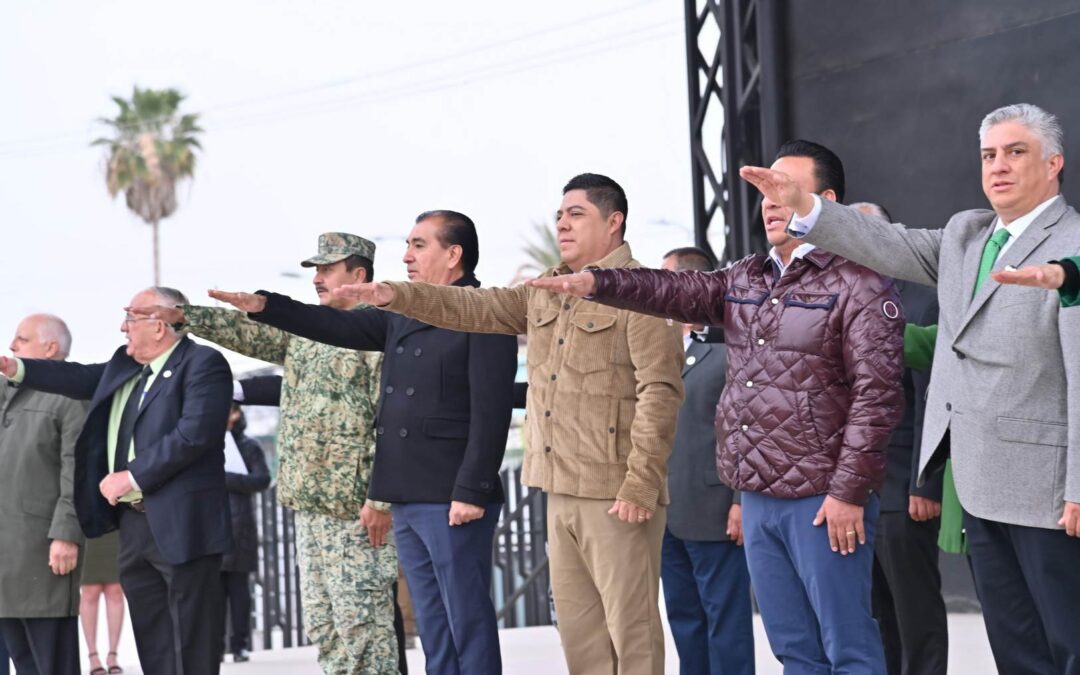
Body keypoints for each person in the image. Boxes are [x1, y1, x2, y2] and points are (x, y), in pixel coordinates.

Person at [527, 149, 904, 673]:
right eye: (765, 191)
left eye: (785, 188)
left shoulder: (859, 282)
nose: (770, 203)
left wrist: (847, 492)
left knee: (849, 648)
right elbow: (672, 288)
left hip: (823, 498)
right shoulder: (748, 277)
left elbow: (877, 396)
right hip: (759, 496)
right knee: (794, 648)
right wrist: (599, 281)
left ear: (827, 203)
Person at [742, 103, 1080, 674]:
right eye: (988, 155)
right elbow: (884, 242)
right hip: (978, 483)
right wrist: (804, 204)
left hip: (1051, 490)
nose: (998, 166)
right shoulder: (966, 234)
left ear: (1054, 163)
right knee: (1016, 650)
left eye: (1015, 152)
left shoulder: (1071, 239)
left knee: (1070, 643)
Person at [301, 179, 686, 675]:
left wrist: (641, 483)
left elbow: (660, 391)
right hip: (558, 486)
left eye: (577, 214)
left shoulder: (644, 291)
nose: (563, 224)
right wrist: (397, 295)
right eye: (559, 215)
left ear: (614, 221)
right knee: (580, 634)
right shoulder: (544, 291)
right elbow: (468, 306)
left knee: (630, 632)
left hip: (616, 490)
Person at [202, 211, 517, 675]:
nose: (406, 256)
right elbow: (336, 327)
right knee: (431, 622)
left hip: (452, 494)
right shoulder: (404, 314)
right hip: (408, 491)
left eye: (419, 245)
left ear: (454, 254)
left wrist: (471, 490)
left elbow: (492, 411)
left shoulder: (485, 312)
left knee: (465, 617)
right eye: (407, 245)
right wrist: (267, 306)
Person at [131, 233, 399, 675]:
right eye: (314, 270)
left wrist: (380, 500)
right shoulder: (306, 332)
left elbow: (390, 425)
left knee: (363, 628)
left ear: (359, 274)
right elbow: (247, 332)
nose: (317, 278)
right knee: (325, 627)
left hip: (356, 513)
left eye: (327, 269)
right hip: (308, 508)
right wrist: (186, 316)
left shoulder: (380, 333)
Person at [0, 287, 233, 675]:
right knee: (153, 640)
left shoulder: (203, 363)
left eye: (131, 317)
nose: (123, 327)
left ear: (159, 326)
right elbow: (78, 377)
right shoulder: (127, 367)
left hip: (183, 524)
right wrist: (17, 368)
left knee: (191, 642)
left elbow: (195, 434)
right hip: (134, 525)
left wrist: (134, 474)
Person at [850, 202, 949, 675]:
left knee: (915, 613)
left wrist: (924, 484)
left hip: (901, 486)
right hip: (851, 491)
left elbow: (933, 396)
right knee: (873, 612)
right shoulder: (841, 296)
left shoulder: (920, 298)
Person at [657, 248, 754, 675]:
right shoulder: (659, 350)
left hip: (715, 511)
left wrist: (741, 501)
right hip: (667, 511)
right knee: (684, 621)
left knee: (725, 625)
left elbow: (746, 427)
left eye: (665, 281)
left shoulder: (731, 347)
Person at [0, 314, 86, 674]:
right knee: (18, 657)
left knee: (50, 661)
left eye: (21, 339)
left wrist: (66, 535)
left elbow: (76, 471)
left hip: (42, 550)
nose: (11, 346)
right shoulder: (7, 392)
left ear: (51, 348)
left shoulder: (70, 396)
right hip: (6, 551)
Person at [220, 403, 270, 662]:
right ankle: (215, 646)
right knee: (212, 592)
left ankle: (239, 644)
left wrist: (225, 478)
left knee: (239, 590)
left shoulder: (249, 446)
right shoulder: (203, 443)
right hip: (212, 524)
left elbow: (262, 479)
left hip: (241, 527)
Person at [80, 530, 126, 675]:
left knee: (115, 589)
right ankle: (93, 656)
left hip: (114, 525)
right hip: (87, 525)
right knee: (90, 590)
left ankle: (113, 655)